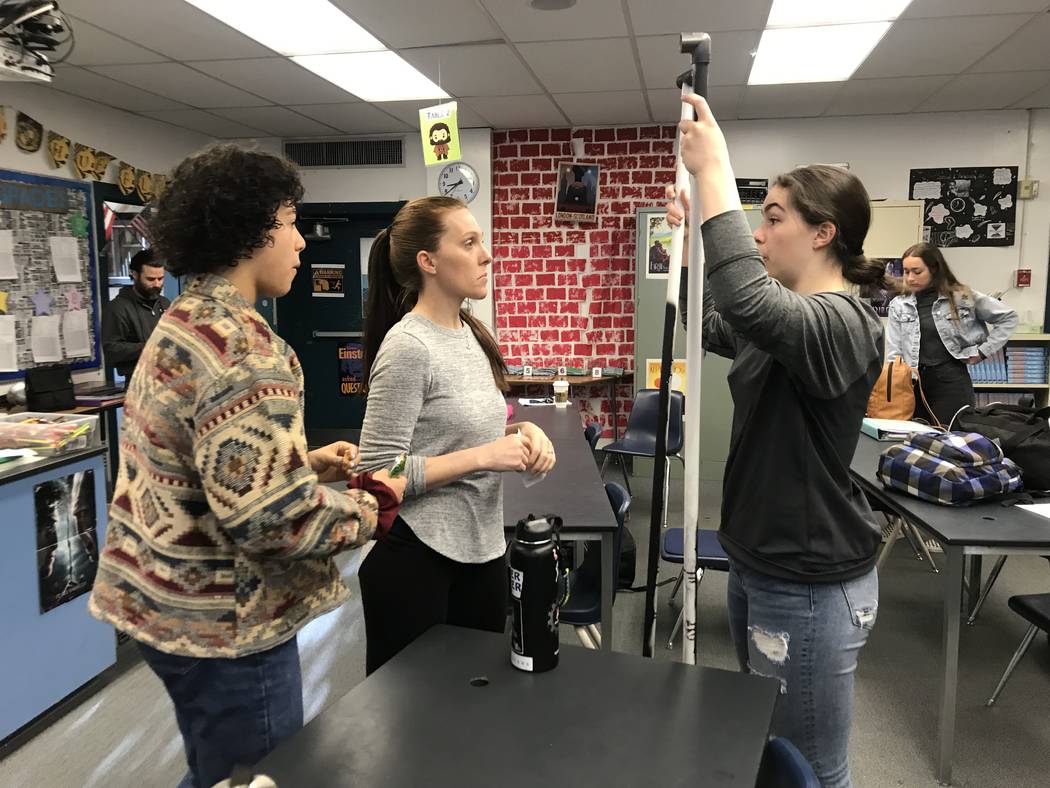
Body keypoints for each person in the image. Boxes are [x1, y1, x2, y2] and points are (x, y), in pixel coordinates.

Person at [88, 144, 405, 788]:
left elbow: (201, 466)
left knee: (213, 767)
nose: (300, 243)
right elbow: (275, 523)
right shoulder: (243, 351)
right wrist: (377, 503)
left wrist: (302, 464)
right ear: (250, 229)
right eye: (290, 223)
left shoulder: (182, 322)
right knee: (255, 777)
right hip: (227, 622)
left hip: (159, 599)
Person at [667, 95, 885, 788]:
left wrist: (715, 174)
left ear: (823, 233)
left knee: (812, 768)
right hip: (760, 561)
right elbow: (708, 317)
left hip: (811, 580)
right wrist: (682, 244)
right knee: (770, 748)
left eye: (774, 217)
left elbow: (745, 300)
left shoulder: (842, 322)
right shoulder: (782, 324)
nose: (760, 235)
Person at [357, 196, 557, 675]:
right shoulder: (408, 346)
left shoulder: (470, 331)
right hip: (419, 559)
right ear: (428, 262)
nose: (486, 254)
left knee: (472, 708)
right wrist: (486, 455)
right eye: (468, 243)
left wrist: (521, 430)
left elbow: (455, 430)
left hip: (481, 549)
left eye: (481, 241)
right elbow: (376, 475)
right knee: (417, 722)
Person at [887, 242, 1018, 426]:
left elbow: (1008, 318)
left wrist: (982, 352)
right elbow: (894, 352)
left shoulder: (961, 297)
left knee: (952, 442)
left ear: (934, 269)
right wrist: (893, 385)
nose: (909, 278)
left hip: (950, 381)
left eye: (917, 272)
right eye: (906, 271)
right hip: (912, 385)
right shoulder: (899, 305)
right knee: (912, 442)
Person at [100, 248, 170, 385]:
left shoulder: (165, 303)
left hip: (168, 380)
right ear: (134, 275)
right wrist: (149, 347)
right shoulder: (117, 307)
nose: (156, 284)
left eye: (160, 278)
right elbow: (111, 349)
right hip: (137, 382)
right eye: (150, 279)